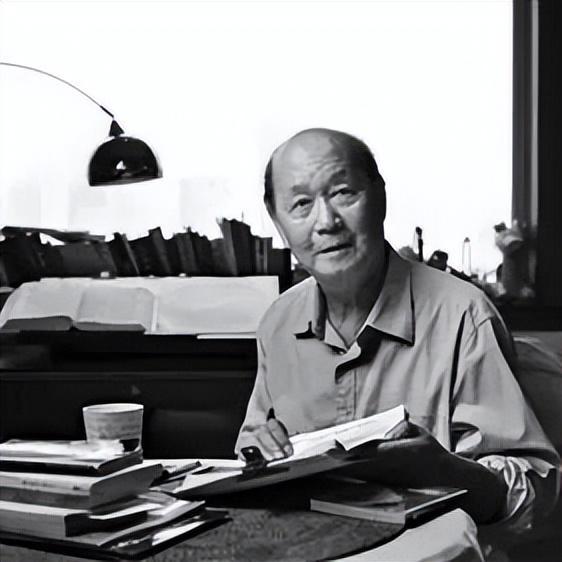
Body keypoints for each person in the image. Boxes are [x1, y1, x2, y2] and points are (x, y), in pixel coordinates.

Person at [235, 129, 559, 548]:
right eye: (301, 205)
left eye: (344, 193)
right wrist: (261, 453)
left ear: (380, 197)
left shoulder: (463, 314)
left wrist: (443, 470)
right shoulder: (278, 323)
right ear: (277, 221)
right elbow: (251, 450)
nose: (326, 222)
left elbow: (534, 499)